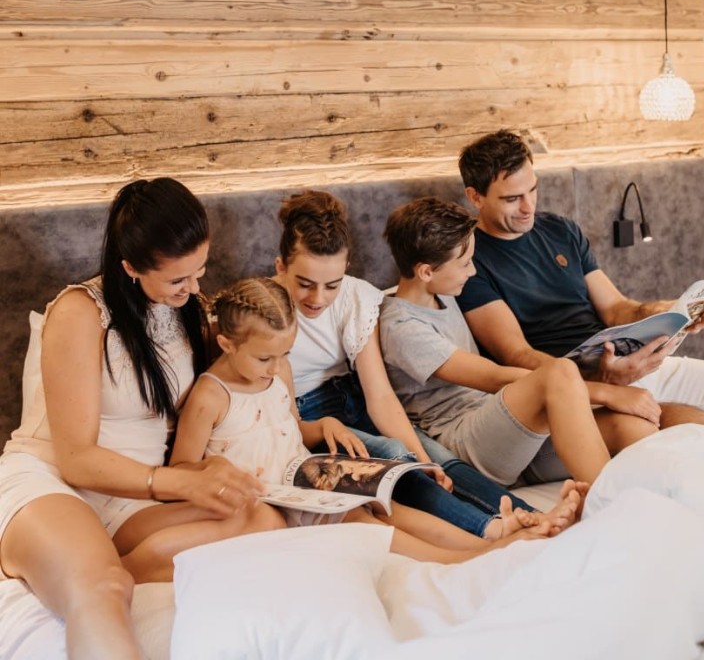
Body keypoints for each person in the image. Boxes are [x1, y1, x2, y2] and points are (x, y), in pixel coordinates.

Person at [0, 178, 285, 660]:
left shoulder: (185, 311)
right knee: (104, 587)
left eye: (200, 271)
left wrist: (204, 472)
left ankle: (91, 562)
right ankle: (85, 570)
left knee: (263, 519)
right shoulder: (81, 312)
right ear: (130, 267)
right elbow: (77, 460)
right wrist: (178, 483)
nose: (195, 288)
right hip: (55, 480)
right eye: (179, 279)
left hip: (128, 499)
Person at [170, 275, 551, 563]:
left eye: (284, 354)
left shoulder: (278, 371)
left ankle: (490, 542)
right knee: (360, 520)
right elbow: (180, 469)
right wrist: (215, 467)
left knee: (385, 505)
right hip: (262, 499)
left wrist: (324, 427)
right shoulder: (210, 396)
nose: (274, 367)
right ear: (226, 344)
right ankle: (465, 559)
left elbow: (291, 428)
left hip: (301, 476)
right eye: (263, 358)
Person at [272, 190, 582, 539]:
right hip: (310, 416)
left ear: (346, 268)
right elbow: (279, 416)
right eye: (304, 284)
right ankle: (490, 529)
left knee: (434, 461)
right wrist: (328, 428)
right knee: (393, 456)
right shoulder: (265, 311)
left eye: (331, 285)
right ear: (281, 266)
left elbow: (380, 397)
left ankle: (530, 517)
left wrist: (421, 455)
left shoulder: (357, 297)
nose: (318, 298)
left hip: (356, 398)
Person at [456, 129, 704, 428]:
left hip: (634, 365)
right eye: (512, 198)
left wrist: (671, 310)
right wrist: (602, 381)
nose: (528, 207)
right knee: (700, 432)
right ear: (475, 197)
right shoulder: (467, 260)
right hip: (579, 390)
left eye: (532, 190)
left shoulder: (560, 230)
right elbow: (516, 354)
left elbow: (616, 308)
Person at [380, 197, 662, 488]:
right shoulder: (401, 327)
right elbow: (493, 376)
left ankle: (678, 507)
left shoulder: (443, 292)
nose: (473, 272)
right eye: (465, 264)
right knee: (558, 371)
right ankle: (611, 504)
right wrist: (607, 392)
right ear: (426, 272)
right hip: (468, 441)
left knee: (631, 427)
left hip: (512, 433)